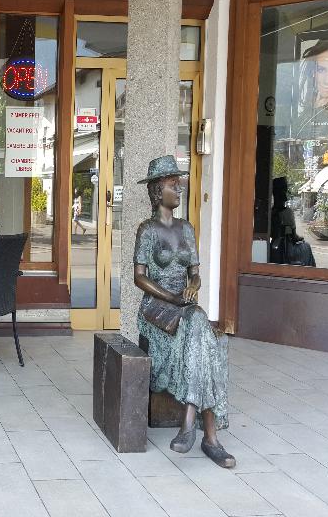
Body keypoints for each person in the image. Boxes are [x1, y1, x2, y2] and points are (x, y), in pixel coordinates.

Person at [133, 155, 234, 469]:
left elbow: (196, 274)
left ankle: (190, 421)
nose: (179, 190)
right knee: (202, 328)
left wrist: (192, 286)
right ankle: (210, 438)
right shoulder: (147, 230)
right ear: (157, 191)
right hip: (157, 306)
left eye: (179, 185)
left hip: (185, 306)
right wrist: (172, 298)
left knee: (202, 331)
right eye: (173, 185)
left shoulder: (187, 228)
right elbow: (139, 277)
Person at [270, 176, 316, 266]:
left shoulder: (271, 212)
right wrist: (300, 238)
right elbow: (294, 236)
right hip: (287, 248)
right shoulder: (288, 212)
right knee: (307, 247)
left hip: (275, 245)